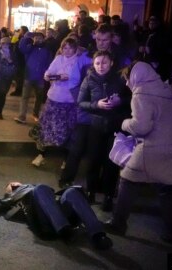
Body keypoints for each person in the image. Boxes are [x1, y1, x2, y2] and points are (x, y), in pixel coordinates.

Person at [106, 62, 172, 248]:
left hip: (155, 149)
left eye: (127, 79)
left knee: (128, 180)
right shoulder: (164, 89)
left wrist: (124, 123)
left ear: (135, 77)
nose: (127, 84)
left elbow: (141, 127)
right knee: (169, 190)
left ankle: (118, 224)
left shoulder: (141, 94)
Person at [60, 51, 129, 210]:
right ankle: (90, 191)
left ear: (111, 63)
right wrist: (96, 105)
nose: (100, 66)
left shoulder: (120, 78)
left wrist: (120, 101)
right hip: (95, 125)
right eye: (97, 63)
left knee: (111, 162)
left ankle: (108, 196)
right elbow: (81, 102)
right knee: (93, 160)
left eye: (104, 63)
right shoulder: (89, 78)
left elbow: (131, 99)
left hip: (115, 126)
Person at [0, 183, 113, 250]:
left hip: (59, 214)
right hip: (48, 224)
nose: (14, 183)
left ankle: (98, 235)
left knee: (70, 192)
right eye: (11, 186)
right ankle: (65, 231)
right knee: (39, 188)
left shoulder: (38, 191)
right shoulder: (22, 194)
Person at [31, 37, 82, 167]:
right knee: (45, 128)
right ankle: (41, 155)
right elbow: (48, 72)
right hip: (53, 98)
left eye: (70, 47)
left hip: (68, 101)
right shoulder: (58, 58)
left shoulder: (78, 60)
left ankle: (66, 159)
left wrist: (66, 79)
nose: (67, 50)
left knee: (67, 130)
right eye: (65, 47)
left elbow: (77, 80)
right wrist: (48, 76)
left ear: (75, 48)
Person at [14, 32, 53, 124]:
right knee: (25, 97)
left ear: (44, 39)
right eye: (36, 38)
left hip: (40, 78)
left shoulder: (47, 50)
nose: (38, 39)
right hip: (29, 76)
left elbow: (49, 63)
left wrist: (47, 74)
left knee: (39, 97)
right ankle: (22, 116)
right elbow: (21, 48)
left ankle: (35, 113)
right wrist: (25, 37)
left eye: (40, 38)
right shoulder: (30, 48)